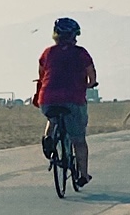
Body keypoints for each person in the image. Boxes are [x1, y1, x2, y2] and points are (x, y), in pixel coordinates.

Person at [34, 18, 97, 186]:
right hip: (73, 99)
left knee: (52, 118)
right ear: (73, 36)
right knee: (78, 140)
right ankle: (83, 175)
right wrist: (90, 84)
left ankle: (48, 138)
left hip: (47, 98)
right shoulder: (81, 53)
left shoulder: (47, 53)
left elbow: (41, 75)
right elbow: (92, 76)